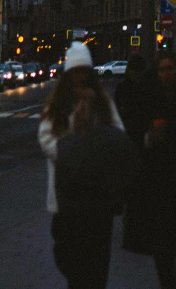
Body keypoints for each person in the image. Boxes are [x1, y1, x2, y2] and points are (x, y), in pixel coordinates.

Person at [38, 42, 128, 289]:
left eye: (84, 71)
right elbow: (46, 138)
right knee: (67, 256)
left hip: (98, 196)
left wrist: (96, 144)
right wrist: (71, 154)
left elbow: (117, 135)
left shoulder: (102, 101)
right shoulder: (58, 103)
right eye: (75, 72)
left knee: (97, 265)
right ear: (68, 75)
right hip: (67, 193)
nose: (80, 77)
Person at [133, 52, 176, 289]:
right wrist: (148, 138)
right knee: (163, 248)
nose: (165, 74)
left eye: (170, 68)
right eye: (161, 70)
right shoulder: (150, 100)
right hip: (158, 185)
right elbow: (135, 134)